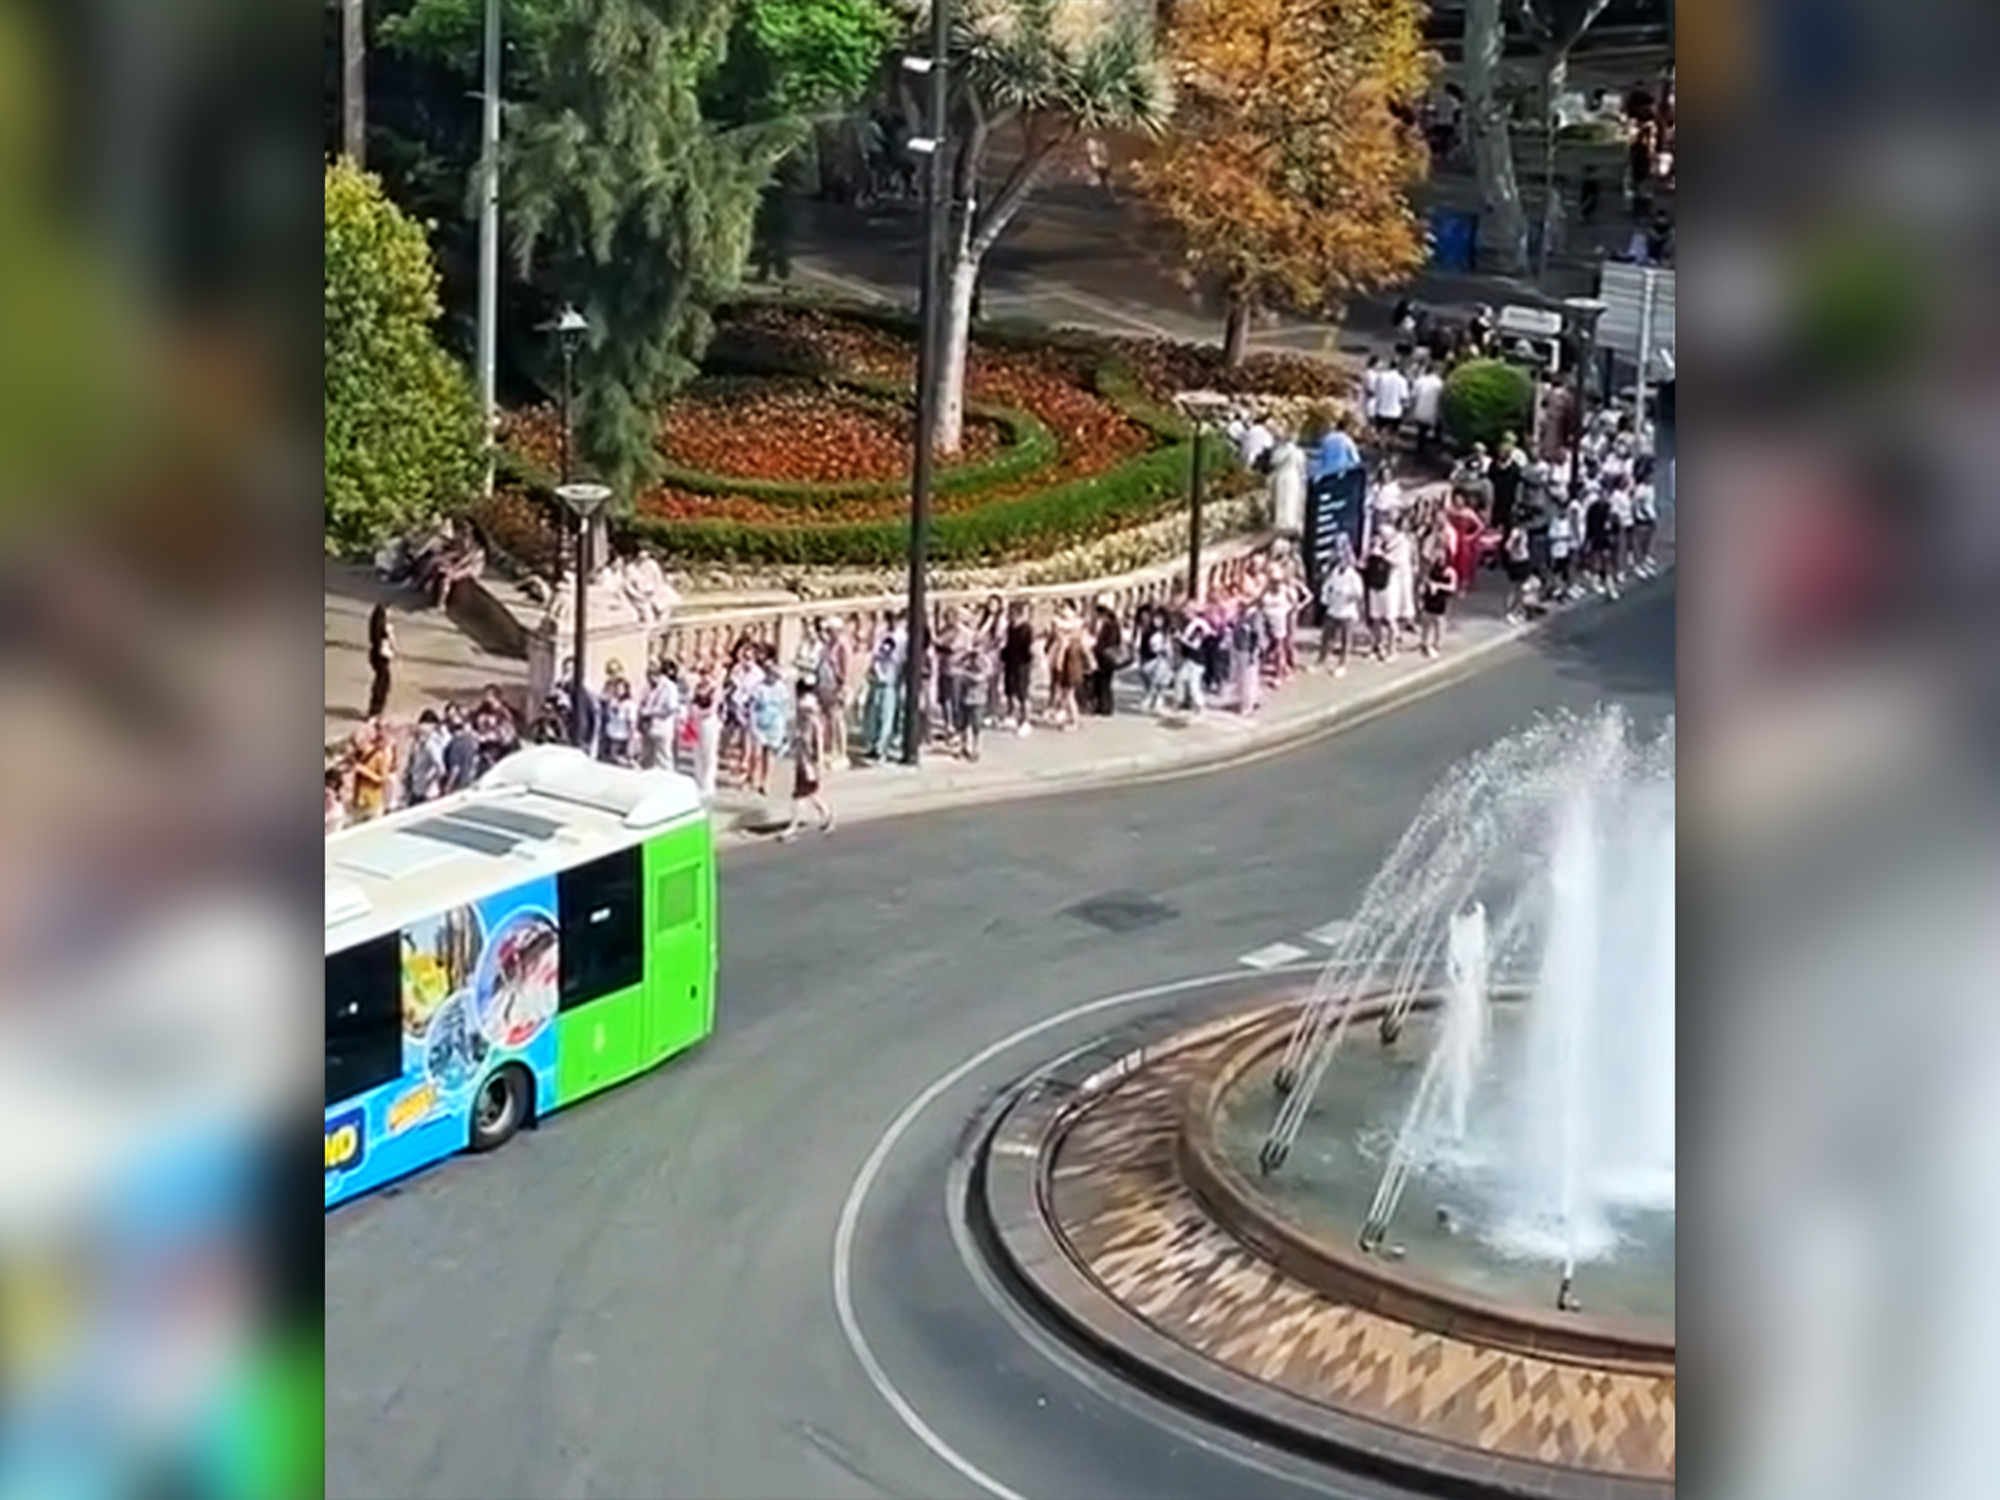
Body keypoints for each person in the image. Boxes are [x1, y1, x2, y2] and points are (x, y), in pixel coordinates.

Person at [777, 684, 834, 840]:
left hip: (809, 764)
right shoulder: (802, 724)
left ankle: (793, 827)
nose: (803, 714)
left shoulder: (814, 725)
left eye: (806, 711)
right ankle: (827, 815)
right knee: (809, 793)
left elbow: (819, 746)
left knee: (800, 795)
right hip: (802, 762)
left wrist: (819, 765)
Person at [1319, 539, 1364, 674]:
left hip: (1347, 612)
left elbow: (1358, 593)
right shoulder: (1334, 572)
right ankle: (1322, 660)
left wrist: (1347, 597)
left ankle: (1342, 665)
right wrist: (1326, 599)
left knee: (1346, 639)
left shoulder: (1353, 576)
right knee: (1327, 636)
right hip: (1333, 609)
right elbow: (1327, 587)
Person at [999, 600, 1035, 735]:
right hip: (1010, 662)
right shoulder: (1010, 628)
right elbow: (1007, 644)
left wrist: (1029, 659)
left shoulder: (1026, 628)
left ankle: (1025, 720)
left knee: (1022, 694)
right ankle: (1011, 715)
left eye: (1012, 613)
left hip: (1022, 665)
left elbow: (1030, 648)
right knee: (1010, 691)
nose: (1009, 615)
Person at [1417, 541, 1457, 658]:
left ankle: (1438, 644)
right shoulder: (1431, 568)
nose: (1439, 557)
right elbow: (1426, 579)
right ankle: (1424, 642)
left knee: (1439, 621)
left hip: (1440, 598)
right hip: (1430, 596)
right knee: (1426, 619)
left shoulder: (1449, 572)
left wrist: (1438, 586)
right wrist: (1425, 587)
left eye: (1441, 555)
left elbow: (1452, 587)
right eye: (1437, 554)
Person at [365, 601, 395, 720]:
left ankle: (376, 709)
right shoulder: (383, 627)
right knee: (382, 681)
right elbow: (387, 641)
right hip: (381, 654)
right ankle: (375, 710)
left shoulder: (379, 625)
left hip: (379, 654)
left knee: (383, 681)